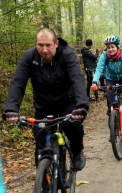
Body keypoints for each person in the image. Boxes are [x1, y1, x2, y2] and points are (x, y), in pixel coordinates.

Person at [2, 28, 88, 171]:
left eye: (48, 45)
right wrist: (11, 109)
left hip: (68, 101)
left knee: (71, 125)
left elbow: (77, 80)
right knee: (41, 140)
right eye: (40, 45)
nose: (44, 50)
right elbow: (18, 82)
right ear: (36, 44)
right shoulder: (29, 57)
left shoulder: (67, 55)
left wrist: (81, 106)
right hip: (43, 105)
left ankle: (77, 151)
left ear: (56, 43)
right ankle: (44, 182)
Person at [91, 35, 122, 123]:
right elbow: (99, 68)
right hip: (111, 78)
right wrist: (94, 82)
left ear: (117, 46)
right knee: (109, 93)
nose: (110, 49)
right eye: (108, 47)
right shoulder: (105, 55)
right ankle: (111, 109)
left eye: (112, 47)